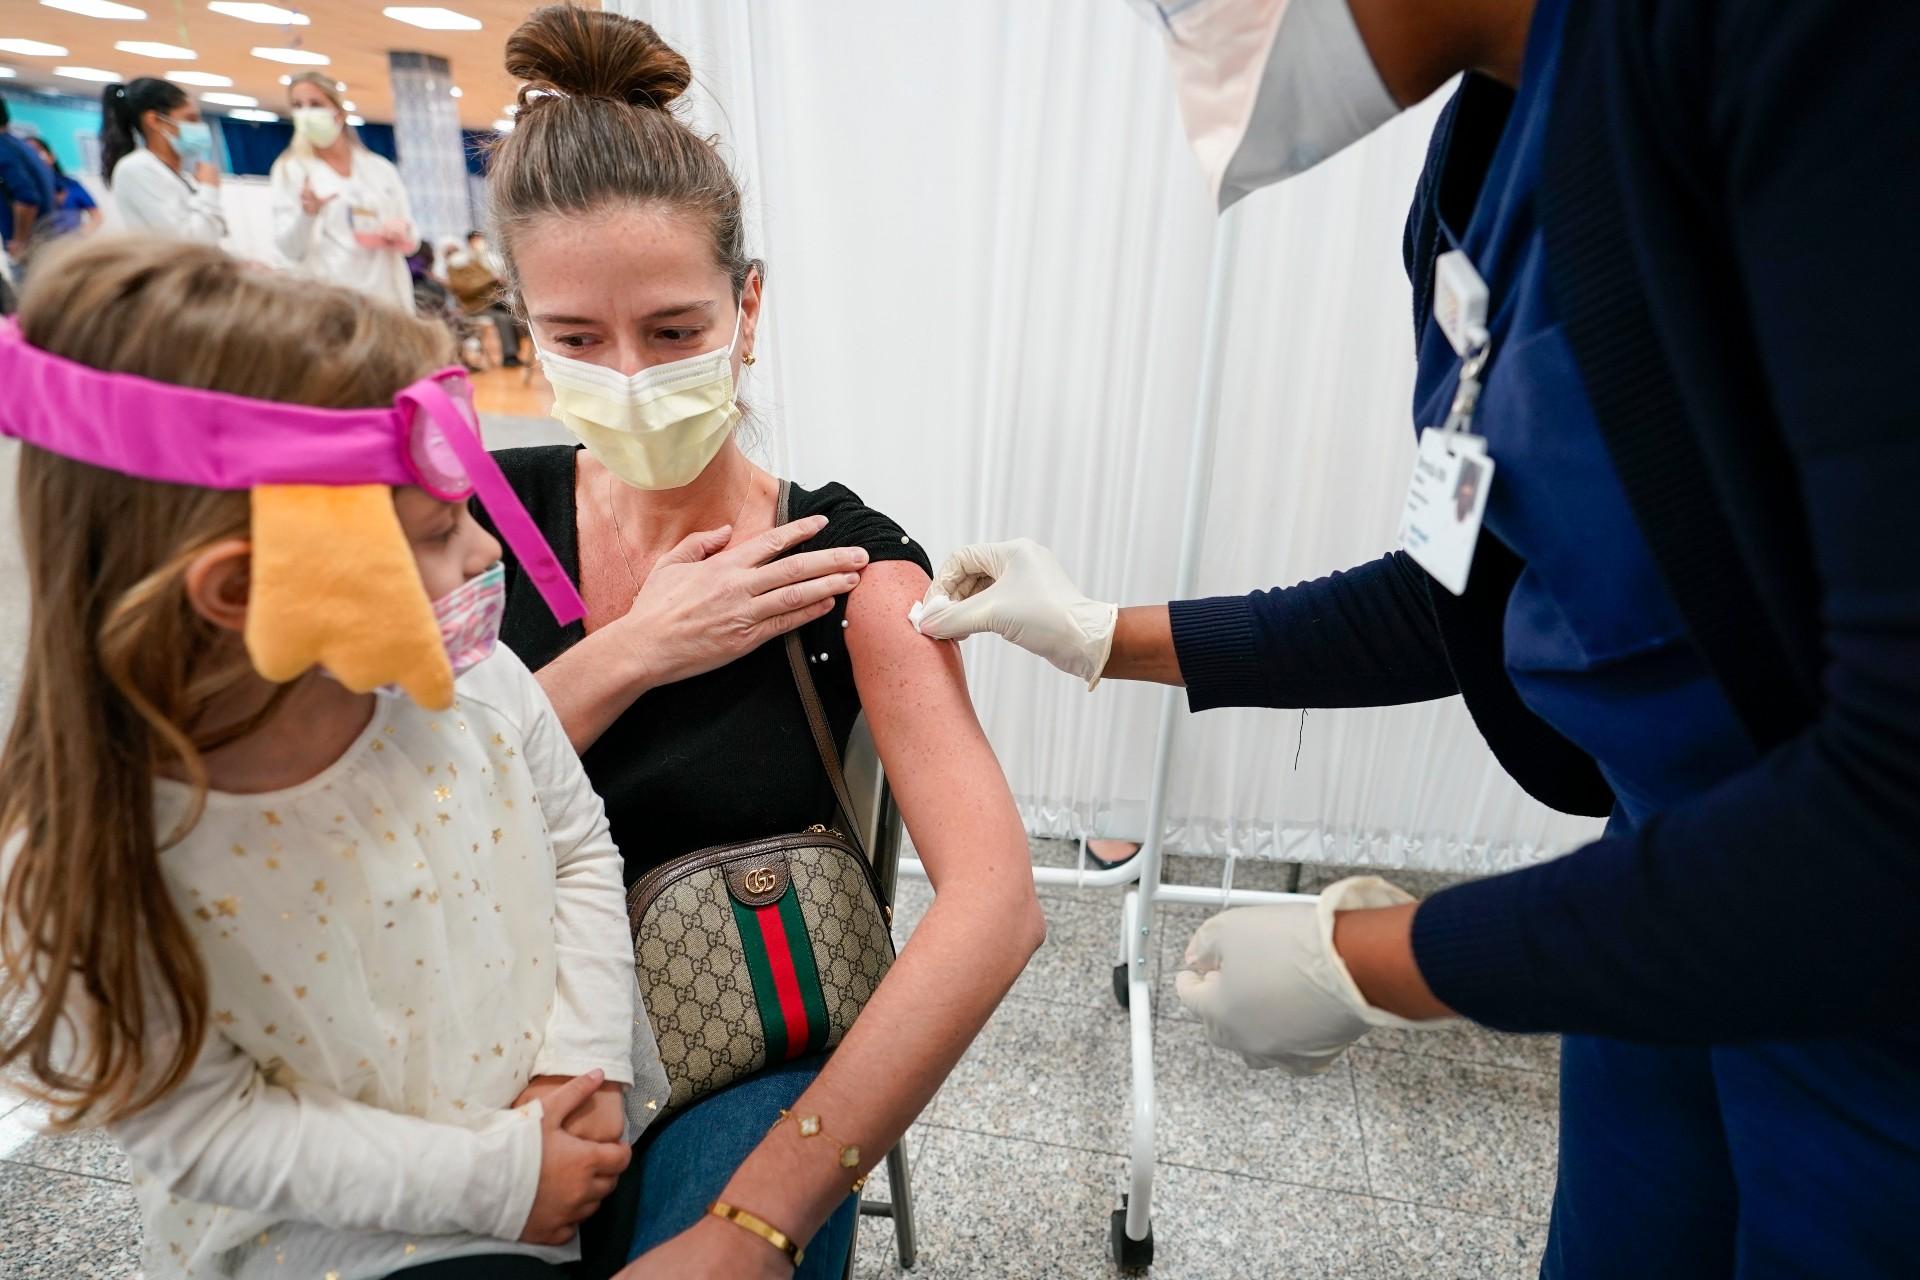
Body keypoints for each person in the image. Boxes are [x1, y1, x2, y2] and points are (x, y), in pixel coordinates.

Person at [917, 0, 1920, 1276]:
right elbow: (1453, 593)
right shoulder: (1484, 168)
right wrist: (1100, 632)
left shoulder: (1815, 65)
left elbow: (1895, 801)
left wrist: (1378, 963)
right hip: (1660, 919)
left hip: (1869, 986)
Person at [480, 9, 1047, 1277]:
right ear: (527, 327)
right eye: (577, 338)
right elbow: (391, 807)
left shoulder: (844, 563)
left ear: (749, 305)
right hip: (486, 1033)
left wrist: (755, 1222)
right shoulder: (476, 522)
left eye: (674, 332)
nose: (626, 374)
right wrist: (634, 649)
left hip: (726, 1059)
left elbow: (996, 904)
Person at [0, 234, 664, 1279]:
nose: (489, 553)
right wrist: (496, 1179)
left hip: (570, 1132)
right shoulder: (105, 856)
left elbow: (578, 847)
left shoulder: (480, 687)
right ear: (237, 590)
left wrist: (579, 1071)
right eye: (442, 527)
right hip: (335, 1239)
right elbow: (210, 1128)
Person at [270, 72, 416, 310]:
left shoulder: (379, 168)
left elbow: (414, 238)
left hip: (387, 299)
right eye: (297, 106)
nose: (306, 113)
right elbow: (289, 251)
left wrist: (402, 231)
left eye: (315, 104)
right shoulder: (290, 170)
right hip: (332, 302)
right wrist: (308, 214)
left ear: (339, 112)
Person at [99, 78, 226, 243]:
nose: (199, 127)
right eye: (191, 119)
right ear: (155, 121)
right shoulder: (136, 169)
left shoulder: (180, 175)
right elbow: (188, 243)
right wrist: (209, 189)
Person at [446, 230, 524, 367]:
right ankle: (509, 357)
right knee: (503, 319)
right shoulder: (455, 268)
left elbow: (492, 284)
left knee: (516, 315)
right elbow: (465, 290)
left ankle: (515, 354)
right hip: (474, 308)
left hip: (492, 304)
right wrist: (489, 280)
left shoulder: (479, 263)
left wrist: (500, 283)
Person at [0, 99, 55, 290]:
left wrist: (20, 241)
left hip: (30, 247)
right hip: (45, 240)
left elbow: (27, 198)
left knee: (34, 306)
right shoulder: (20, 145)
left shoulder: (3, 149)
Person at [25, 136, 99, 238]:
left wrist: (81, 235)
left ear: (51, 156)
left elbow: (97, 216)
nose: (34, 157)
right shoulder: (25, 192)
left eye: (37, 151)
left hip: (73, 244)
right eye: (28, 153)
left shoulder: (70, 184)